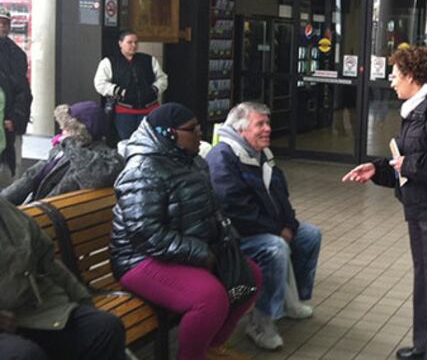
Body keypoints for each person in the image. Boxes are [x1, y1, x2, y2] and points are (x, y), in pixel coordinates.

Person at [342, 46, 427, 360]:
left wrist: (409, 165)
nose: (391, 82)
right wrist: (378, 169)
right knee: (425, 279)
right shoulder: (416, 108)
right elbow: (408, 161)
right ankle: (424, 347)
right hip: (419, 207)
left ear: (413, 77)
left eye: (396, 75)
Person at [109, 103, 262, 360]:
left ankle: (212, 346)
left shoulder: (192, 162)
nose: (200, 133)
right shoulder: (143, 169)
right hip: (139, 259)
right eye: (192, 129)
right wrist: (201, 254)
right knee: (209, 298)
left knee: (247, 280)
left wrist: (226, 244)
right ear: (168, 133)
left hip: (183, 252)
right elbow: (144, 233)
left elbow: (213, 211)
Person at [206, 102, 321, 351]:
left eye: (267, 123)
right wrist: (277, 230)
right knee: (274, 248)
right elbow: (235, 210)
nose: (268, 129)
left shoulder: (263, 154)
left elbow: (282, 197)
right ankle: (261, 321)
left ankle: (291, 300)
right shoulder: (223, 157)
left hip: (268, 227)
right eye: (260, 124)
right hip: (236, 236)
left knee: (310, 235)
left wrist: (289, 224)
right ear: (240, 129)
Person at [0, 196, 126, 360]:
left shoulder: (8, 213)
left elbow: (49, 263)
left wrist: (83, 300)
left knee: (104, 327)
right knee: (23, 355)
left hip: (32, 312)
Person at [1, 101, 123, 206]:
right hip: (41, 211)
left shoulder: (103, 155)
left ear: (79, 130)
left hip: (53, 218)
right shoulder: (64, 148)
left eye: (66, 128)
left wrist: (70, 143)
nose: (62, 131)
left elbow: (97, 177)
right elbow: (31, 176)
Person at [93, 30, 168, 140]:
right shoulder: (109, 62)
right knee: (127, 142)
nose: (134, 45)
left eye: (136, 42)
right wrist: (118, 91)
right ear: (120, 43)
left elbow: (162, 78)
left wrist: (155, 89)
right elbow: (100, 83)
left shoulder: (149, 60)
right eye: (130, 42)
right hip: (124, 111)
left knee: (149, 141)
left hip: (150, 110)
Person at [0, 8, 33, 186]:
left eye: (5, 23)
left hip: (9, 124)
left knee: (9, 175)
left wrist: (16, 117)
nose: (1, 26)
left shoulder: (16, 54)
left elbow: (23, 91)